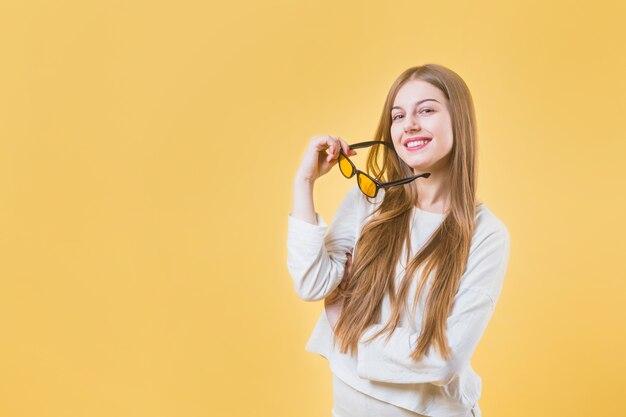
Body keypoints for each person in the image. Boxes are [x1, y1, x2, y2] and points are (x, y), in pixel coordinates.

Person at [287, 63, 511, 417]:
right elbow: (312, 283)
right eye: (398, 115)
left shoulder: (486, 235)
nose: (410, 124)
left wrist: (349, 328)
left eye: (426, 110)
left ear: (459, 121)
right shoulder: (369, 200)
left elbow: (444, 360)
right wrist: (305, 182)